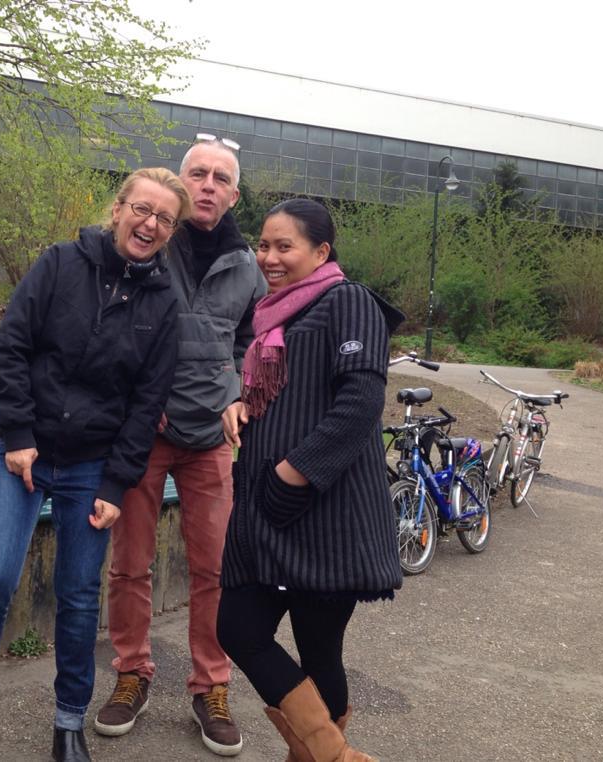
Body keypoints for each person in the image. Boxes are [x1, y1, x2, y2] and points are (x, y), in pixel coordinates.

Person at [0, 168, 191, 762]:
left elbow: (147, 404)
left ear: (171, 232)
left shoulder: (165, 303)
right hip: (22, 451)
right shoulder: (59, 264)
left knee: (78, 595)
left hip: (92, 466)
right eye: (142, 209)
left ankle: (68, 725)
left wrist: (117, 482)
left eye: (164, 218)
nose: (150, 224)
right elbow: (12, 347)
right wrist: (17, 434)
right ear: (118, 209)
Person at [94, 135, 267, 756]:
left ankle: (210, 686)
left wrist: (238, 392)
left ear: (234, 195)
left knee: (214, 569)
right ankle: (132, 673)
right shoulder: (151, 243)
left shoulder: (248, 265)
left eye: (221, 178)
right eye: (198, 173)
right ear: (181, 179)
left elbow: (254, 342)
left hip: (211, 438)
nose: (208, 185)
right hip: (142, 433)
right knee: (129, 564)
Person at [216, 198, 404, 762]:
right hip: (269, 517)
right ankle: (336, 756)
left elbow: (360, 402)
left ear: (321, 252)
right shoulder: (274, 315)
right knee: (239, 629)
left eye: (285, 246)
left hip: (326, 514)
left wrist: (290, 475)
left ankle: (322, 756)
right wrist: (242, 404)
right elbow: (287, 393)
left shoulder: (348, 301)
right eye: (263, 245)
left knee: (319, 652)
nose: (269, 257)